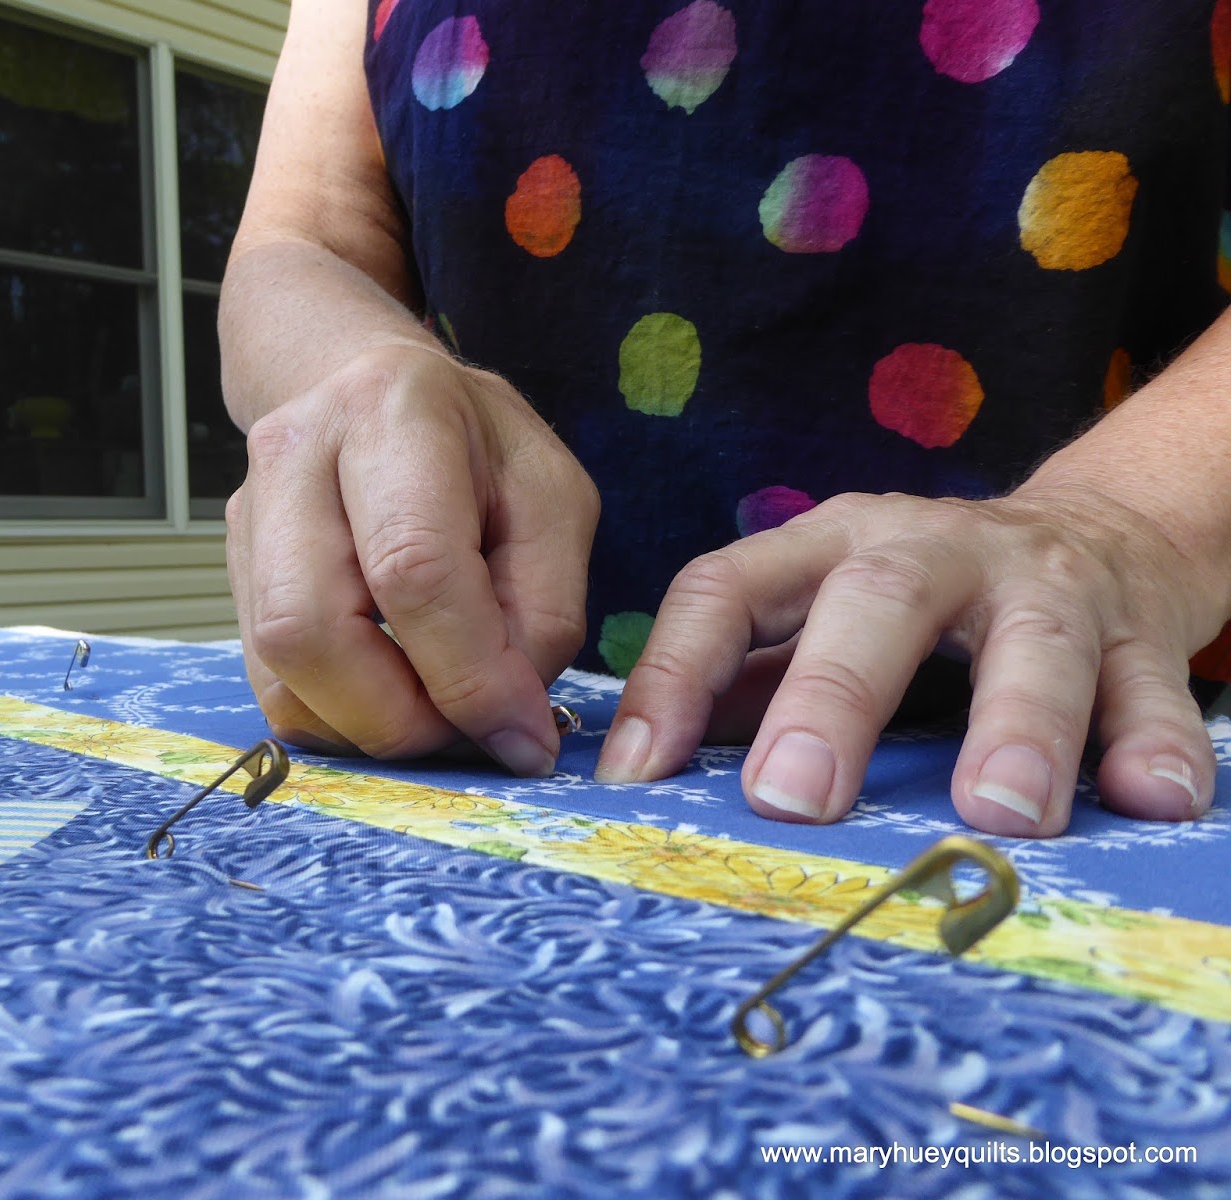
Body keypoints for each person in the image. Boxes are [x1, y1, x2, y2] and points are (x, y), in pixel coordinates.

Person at [218, 0, 1231, 838]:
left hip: (1100, 739)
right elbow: (309, 230)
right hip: (481, 742)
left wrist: (1125, 524)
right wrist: (348, 369)